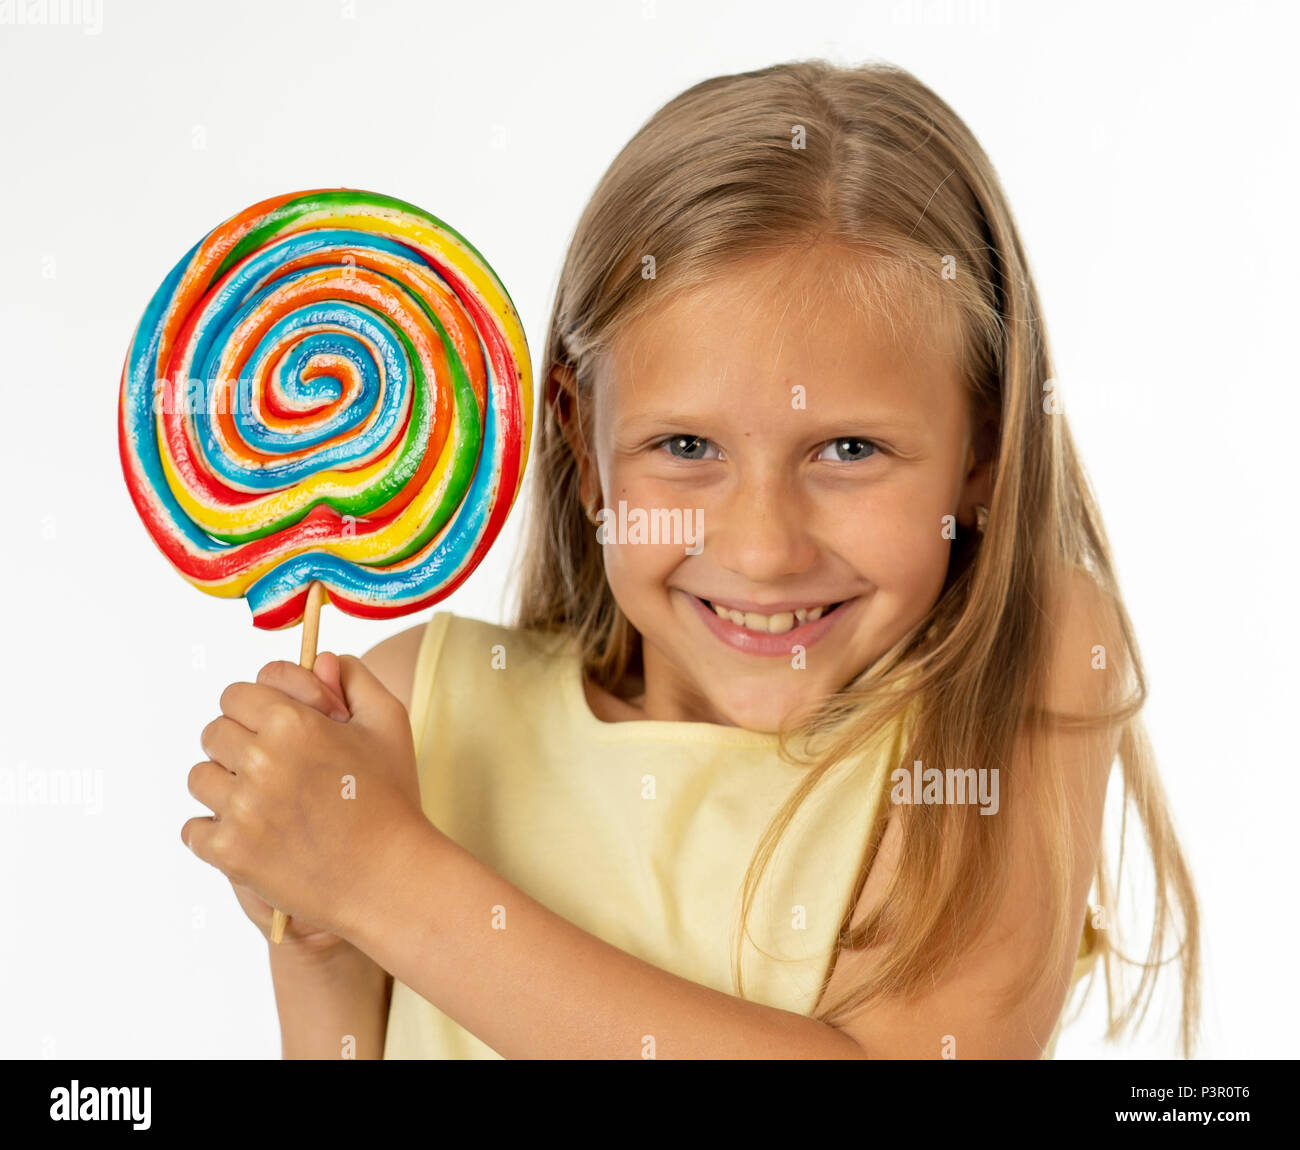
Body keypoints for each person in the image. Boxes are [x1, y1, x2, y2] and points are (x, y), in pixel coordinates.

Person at [183, 59, 1200, 1059]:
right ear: (583, 445)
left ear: (980, 454)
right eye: (685, 448)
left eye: (848, 450)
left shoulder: (1023, 665)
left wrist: (386, 882)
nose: (761, 550)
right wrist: (319, 944)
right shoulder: (413, 710)